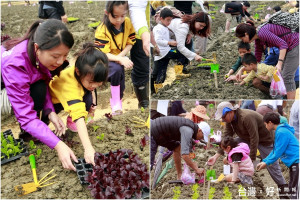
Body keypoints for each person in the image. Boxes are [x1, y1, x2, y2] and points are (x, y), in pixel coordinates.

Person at [1, 19, 78, 171]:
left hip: (15, 84)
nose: (61, 61)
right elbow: (26, 117)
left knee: (40, 88)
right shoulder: (15, 64)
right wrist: (58, 145)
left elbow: (42, 78)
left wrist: (50, 112)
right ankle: (31, 131)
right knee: (35, 95)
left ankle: (36, 131)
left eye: (65, 55)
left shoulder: (37, 51)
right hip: (4, 88)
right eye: (56, 56)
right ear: (37, 48)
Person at [207, 102, 288, 197]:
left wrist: (251, 159)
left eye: (223, 117)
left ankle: (285, 193)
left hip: (265, 139)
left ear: (230, 112)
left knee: (273, 167)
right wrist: (216, 156)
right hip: (247, 138)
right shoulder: (230, 121)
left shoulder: (246, 117)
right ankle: (236, 171)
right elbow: (226, 138)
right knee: (232, 145)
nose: (223, 120)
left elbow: (255, 138)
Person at [49, 43, 108, 166]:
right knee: (38, 125)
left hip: (68, 97)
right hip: (50, 101)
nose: (94, 86)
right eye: (92, 82)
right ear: (78, 71)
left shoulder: (87, 72)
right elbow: (78, 114)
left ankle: (71, 122)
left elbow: (91, 89)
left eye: (98, 82)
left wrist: (92, 107)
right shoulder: (69, 84)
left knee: (87, 96)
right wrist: (88, 148)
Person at [235, 20, 299, 99]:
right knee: (284, 75)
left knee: (287, 77)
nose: (243, 41)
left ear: (246, 34)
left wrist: (279, 63)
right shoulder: (258, 37)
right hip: (287, 46)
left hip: (294, 43)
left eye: (242, 38)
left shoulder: (262, 33)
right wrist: (246, 67)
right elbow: (257, 55)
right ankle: (284, 95)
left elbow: (283, 44)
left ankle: (290, 102)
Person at [94, 1, 135, 115]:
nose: (119, 20)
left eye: (123, 15)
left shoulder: (127, 23)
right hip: (104, 59)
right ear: (107, 13)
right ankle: (115, 102)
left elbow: (130, 43)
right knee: (117, 70)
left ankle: (118, 100)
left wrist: (120, 57)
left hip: (118, 57)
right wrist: (120, 59)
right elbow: (103, 53)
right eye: (115, 16)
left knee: (120, 75)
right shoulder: (102, 29)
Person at [257, 112, 299, 199]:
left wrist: (266, 163)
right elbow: (275, 150)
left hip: (297, 162)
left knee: (294, 191)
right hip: (294, 163)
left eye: (265, 124)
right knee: (292, 189)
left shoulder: (281, 132)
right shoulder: (280, 130)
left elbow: (278, 152)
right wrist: (265, 161)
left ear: (270, 123)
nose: (265, 127)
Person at [152, 8, 188, 86]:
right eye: (168, 20)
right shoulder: (158, 28)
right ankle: (179, 72)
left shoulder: (164, 27)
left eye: (170, 20)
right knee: (181, 52)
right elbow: (158, 40)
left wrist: (172, 41)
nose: (169, 22)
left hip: (162, 54)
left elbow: (164, 39)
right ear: (161, 18)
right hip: (165, 52)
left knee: (162, 73)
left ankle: (158, 90)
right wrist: (169, 42)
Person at [128, 0, 150, 108]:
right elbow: (136, 8)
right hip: (140, 34)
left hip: (152, 33)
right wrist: (144, 34)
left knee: (149, 68)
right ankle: (144, 103)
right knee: (142, 69)